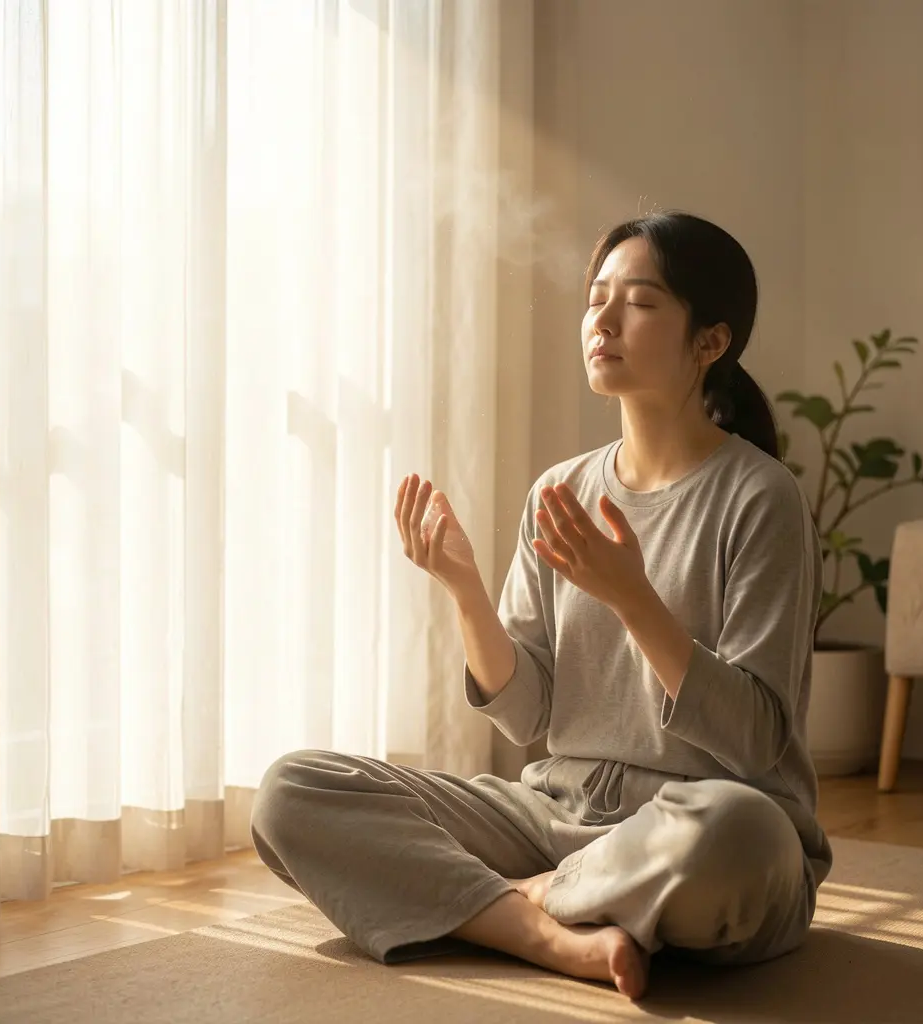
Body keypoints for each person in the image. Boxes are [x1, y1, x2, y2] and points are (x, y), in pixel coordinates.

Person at [250, 211, 831, 1001]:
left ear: (710, 342)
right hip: (553, 815)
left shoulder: (762, 498)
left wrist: (633, 598)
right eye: (597, 299)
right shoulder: (560, 492)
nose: (605, 319)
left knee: (741, 834)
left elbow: (758, 741)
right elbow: (529, 715)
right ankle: (551, 934)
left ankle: (512, 898)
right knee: (292, 792)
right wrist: (466, 594)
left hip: (694, 828)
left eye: (641, 301)